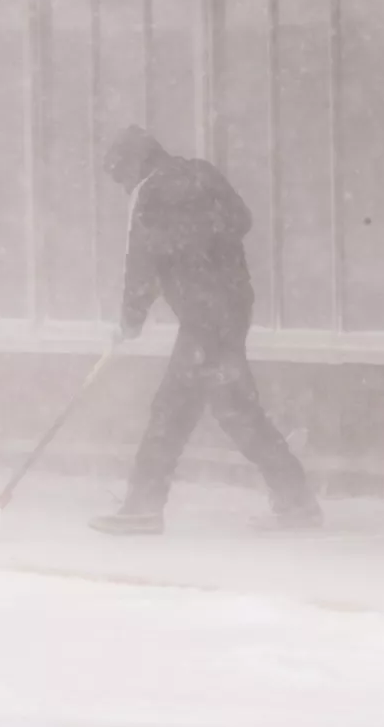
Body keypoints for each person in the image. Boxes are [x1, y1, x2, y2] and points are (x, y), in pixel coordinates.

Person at [89, 125, 321, 536]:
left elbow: (141, 264)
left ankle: (143, 507)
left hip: (204, 320)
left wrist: (130, 321)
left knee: (173, 411)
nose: (123, 186)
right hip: (231, 307)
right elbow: (241, 220)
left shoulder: (150, 195)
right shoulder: (202, 175)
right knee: (231, 410)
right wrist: (199, 244)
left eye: (121, 176)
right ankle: (295, 499)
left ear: (134, 164)